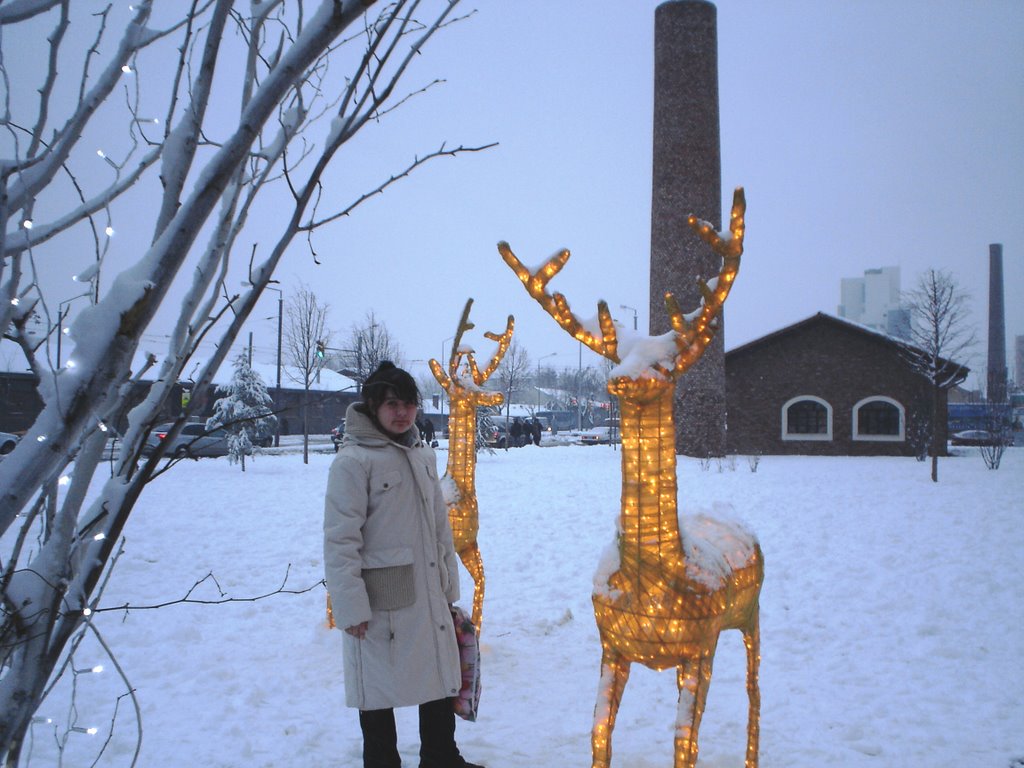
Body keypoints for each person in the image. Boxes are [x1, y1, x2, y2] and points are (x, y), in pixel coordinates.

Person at [324, 362, 484, 768]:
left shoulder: (421, 455)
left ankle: (441, 757)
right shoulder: (353, 461)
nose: (402, 412)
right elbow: (340, 541)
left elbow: (438, 527)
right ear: (373, 406)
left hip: (426, 593)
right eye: (392, 403)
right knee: (377, 693)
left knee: (435, 678)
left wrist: (448, 584)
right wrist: (349, 606)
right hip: (378, 602)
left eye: (409, 403)